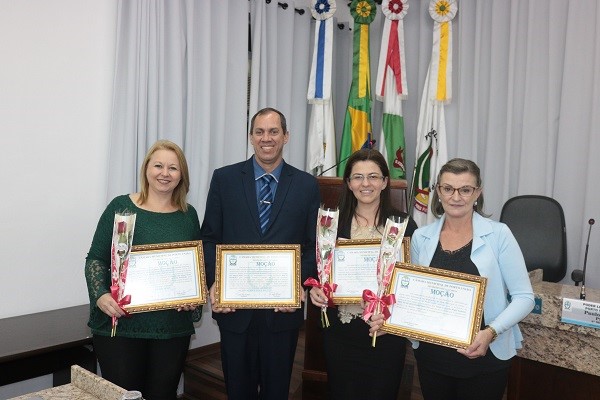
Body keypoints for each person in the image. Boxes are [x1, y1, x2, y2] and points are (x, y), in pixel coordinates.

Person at [200, 107, 320, 400]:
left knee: (276, 390)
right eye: (260, 132)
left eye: (274, 131)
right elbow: (210, 238)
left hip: (282, 313)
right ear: (251, 137)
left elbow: (313, 244)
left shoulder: (306, 185)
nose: (267, 138)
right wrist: (217, 285)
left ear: (286, 136)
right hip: (234, 310)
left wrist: (298, 284)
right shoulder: (224, 179)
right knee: (237, 390)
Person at [401, 158, 534, 400]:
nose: (456, 197)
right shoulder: (421, 237)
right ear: (438, 192)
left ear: (477, 193)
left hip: (484, 354)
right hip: (433, 356)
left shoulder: (499, 235)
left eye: (465, 189)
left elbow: (524, 297)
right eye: (448, 188)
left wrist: (490, 333)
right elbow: (414, 294)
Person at [85, 140, 201, 400]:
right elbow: (95, 259)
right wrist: (101, 295)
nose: (164, 173)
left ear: (181, 175)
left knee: (163, 394)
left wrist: (192, 299)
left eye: (173, 168)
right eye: (158, 165)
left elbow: (195, 267)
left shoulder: (188, 215)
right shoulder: (120, 208)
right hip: (122, 326)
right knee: (125, 396)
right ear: (146, 169)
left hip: (171, 328)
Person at [308, 148, 418, 400]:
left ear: (385, 182)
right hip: (341, 333)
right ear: (348, 183)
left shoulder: (403, 224)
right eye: (357, 177)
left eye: (373, 176)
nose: (365, 184)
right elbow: (319, 269)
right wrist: (316, 289)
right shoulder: (331, 224)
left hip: (384, 332)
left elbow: (411, 280)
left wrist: (391, 322)